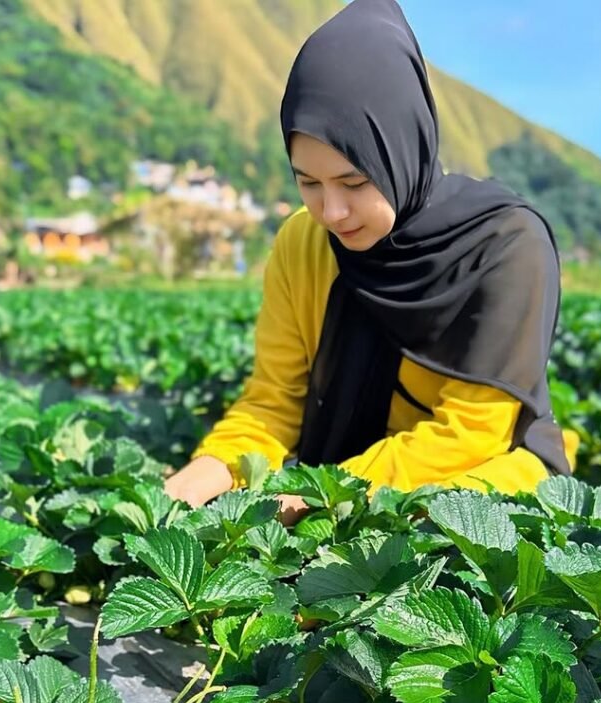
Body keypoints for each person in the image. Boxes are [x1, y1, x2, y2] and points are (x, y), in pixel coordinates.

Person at [164, 0, 577, 524]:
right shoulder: (302, 240)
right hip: (337, 476)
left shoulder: (507, 244)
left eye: (355, 182)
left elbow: (472, 431)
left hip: (470, 475)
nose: (331, 212)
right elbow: (273, 402)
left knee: (445, 526)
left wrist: (317, 499)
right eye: (307, 182)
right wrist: (200, 476)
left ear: (402, 151)